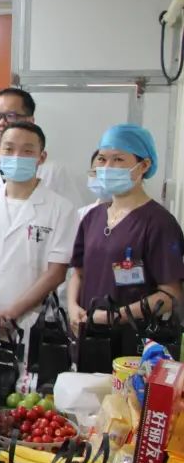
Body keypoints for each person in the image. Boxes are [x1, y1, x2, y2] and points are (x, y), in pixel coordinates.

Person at [0, 123, 78, 355]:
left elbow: (56, 272)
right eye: (9, 149)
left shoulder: (61, 209)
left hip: (31, 320)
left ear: (41, 157)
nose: (16, 157)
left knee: (26, 376)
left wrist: (11, 314)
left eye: (27, 151)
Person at [67, 124, 184, 336]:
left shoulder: (159, 223)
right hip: (88, 336)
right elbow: (79, 274)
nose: (107, 167)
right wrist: (72, 308)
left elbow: (171, 295)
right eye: (102, 159)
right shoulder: (93, 217)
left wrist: (114, 316)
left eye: (118, 159)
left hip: (132, 341)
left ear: (144, 165)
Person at [0, 88, 85, 208]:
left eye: (10, 116)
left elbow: (73, 215)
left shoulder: (54, 171)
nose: (1, 123)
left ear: (30, 121)